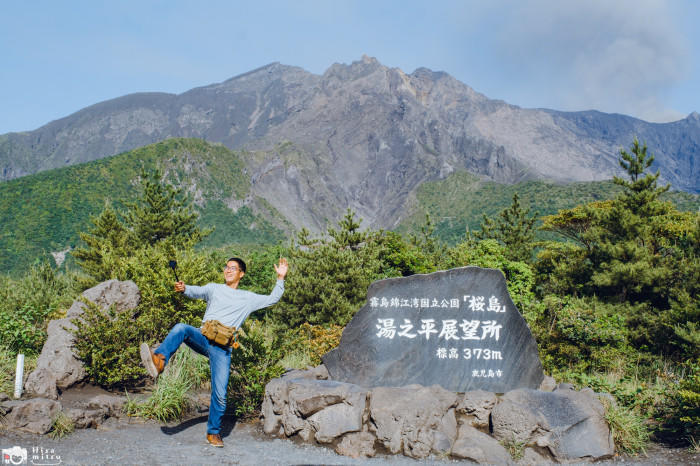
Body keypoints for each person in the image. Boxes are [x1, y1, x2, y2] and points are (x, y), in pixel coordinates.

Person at [140, 257, 288, 448]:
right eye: (226, 267)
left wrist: (280, 278)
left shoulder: (248, 298)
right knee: (181, 328)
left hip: (222, 349)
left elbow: (272, 299)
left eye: (232, 268)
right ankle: (159, 360)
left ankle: (213, 433)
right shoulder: (214, 288)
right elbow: (196, 291)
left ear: (241, 274)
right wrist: (184, 288)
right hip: (202, 338)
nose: (227, 270)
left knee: (220, 394)